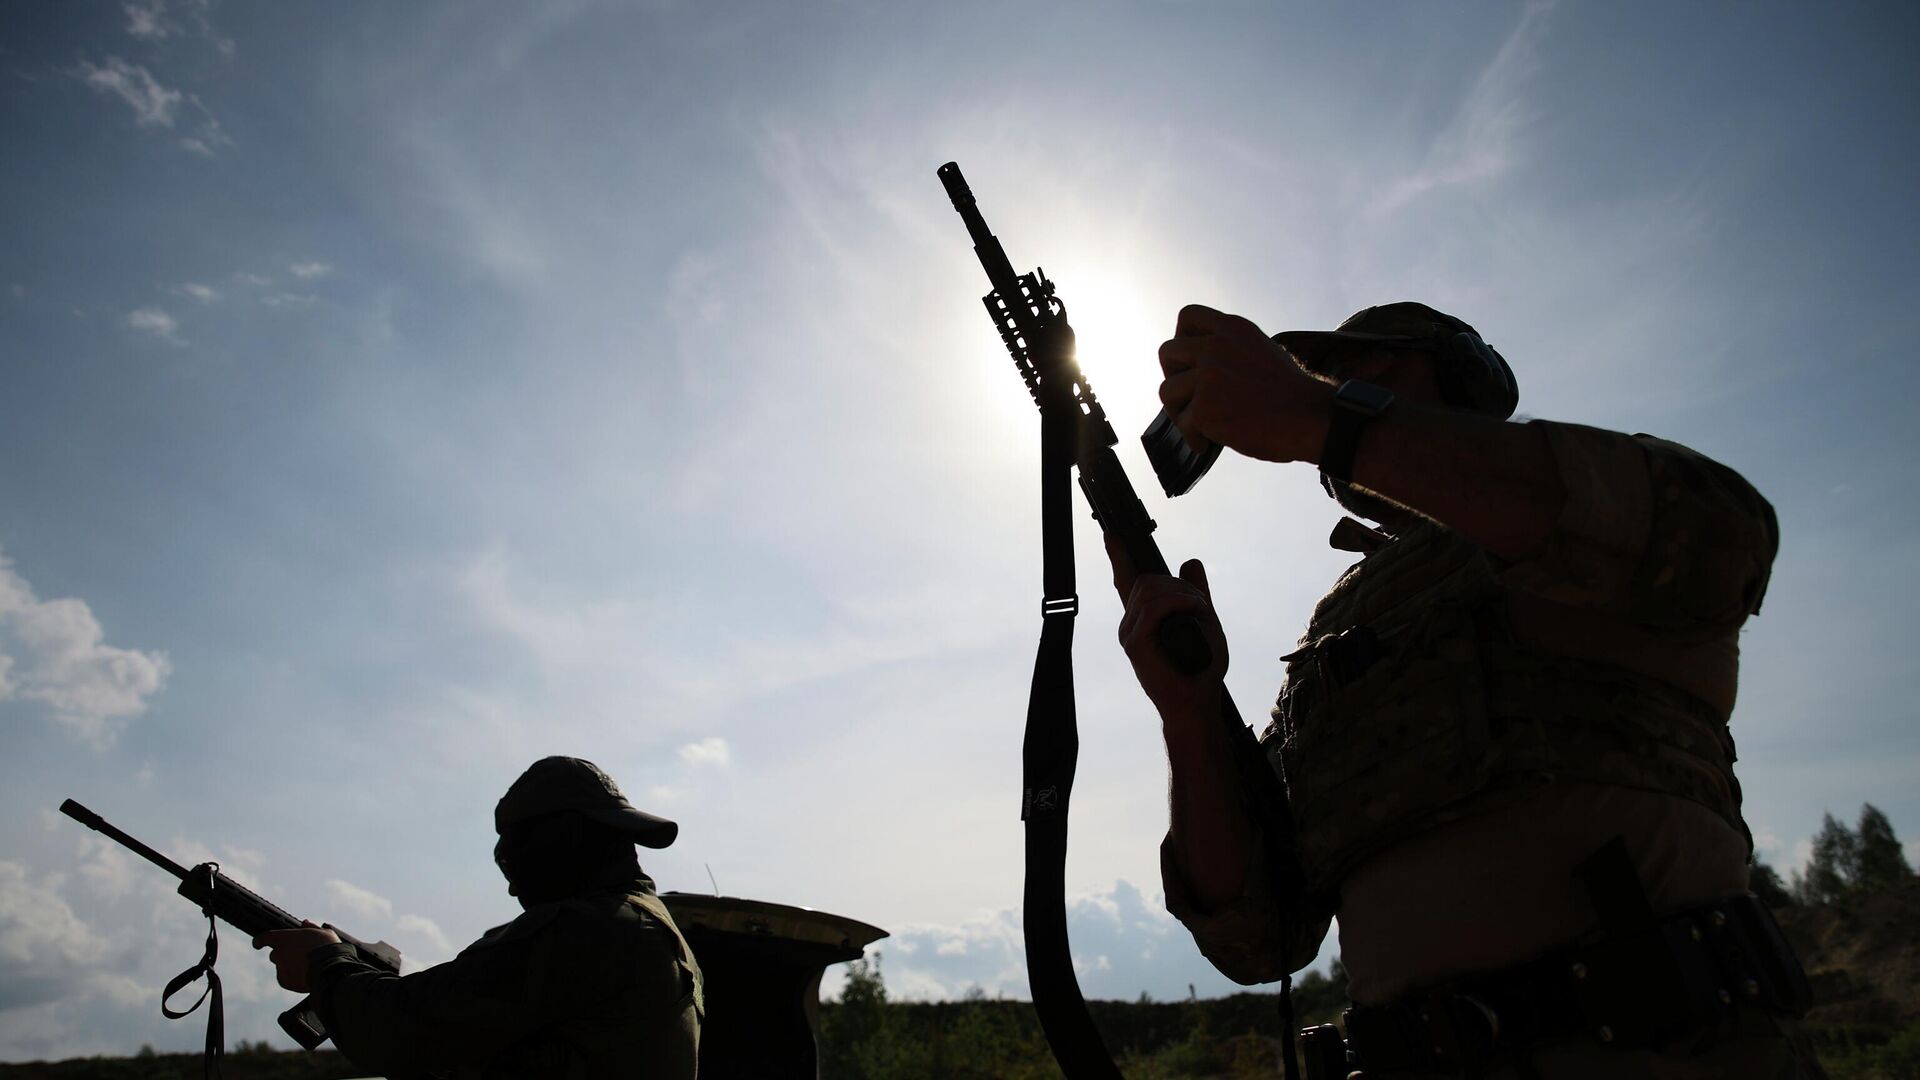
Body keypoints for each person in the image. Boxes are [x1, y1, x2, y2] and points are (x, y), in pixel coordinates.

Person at [1108, 302, 1823, 1078]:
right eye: (1328, 376)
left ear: (1465, 377)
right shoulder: (1332, 636)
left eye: (1371, 370)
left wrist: (1321, 415)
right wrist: (1190, 713)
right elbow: (1258, 934)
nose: (1341, 384)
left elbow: (1721, 538)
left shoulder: (1572, 516)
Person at [254, 756, 703, 1078]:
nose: (512, 887)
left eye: (513, 862)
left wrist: (326, 964)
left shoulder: (592, 929)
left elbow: (401, 1034)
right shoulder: (647, 926)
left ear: (561, 839)